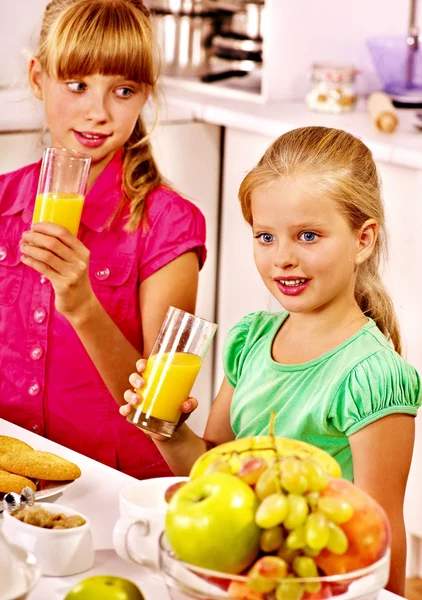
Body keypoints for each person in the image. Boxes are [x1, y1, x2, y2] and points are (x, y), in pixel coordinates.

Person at [122, 126, 421, 594]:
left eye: (307, 235)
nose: (282, 258)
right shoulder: (250, 339)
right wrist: (169, 429)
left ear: (362, 240)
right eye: (265, 236)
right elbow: (212, 474)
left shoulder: (372, 377)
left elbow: (381, 536)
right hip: (243, 578)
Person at [0, 0, 207, 479]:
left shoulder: (169, 225)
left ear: (145, 96)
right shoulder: (3, 200)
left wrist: (82, 305)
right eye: (76, 85)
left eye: (122, 90)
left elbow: (160, 415)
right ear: (38, 78)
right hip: (12, 472)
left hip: (114, 483)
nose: (97, 112)